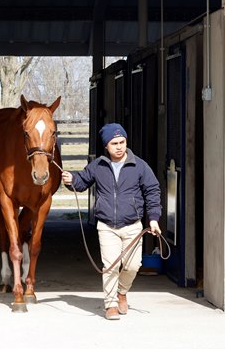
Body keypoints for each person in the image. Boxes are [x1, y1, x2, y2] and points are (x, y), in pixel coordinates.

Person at [61, 123, 162, 321]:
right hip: (107, 226)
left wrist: (154, 219)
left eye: (122, 142)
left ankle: (121, 292)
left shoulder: (139, 165)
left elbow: (152, 191)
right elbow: (82, 182)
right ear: (106, 146)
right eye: (114, 143)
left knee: (133, 266)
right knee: (110, 266)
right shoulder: (98, 165)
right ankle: (111, 304)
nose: (119, 146)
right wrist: (71, 178)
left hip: (133, 225)